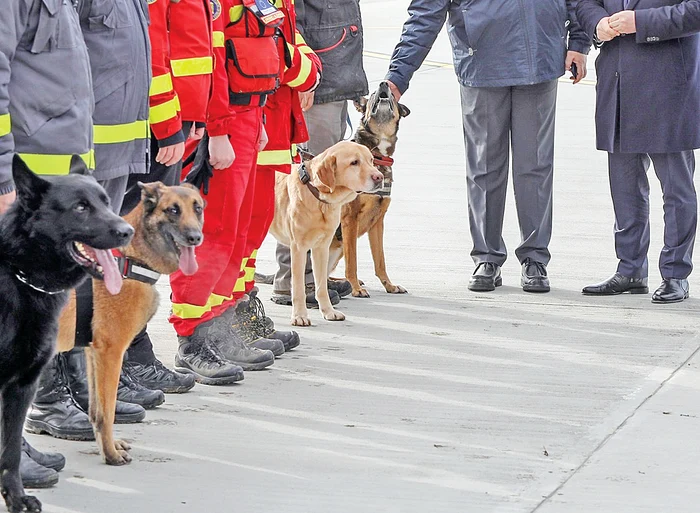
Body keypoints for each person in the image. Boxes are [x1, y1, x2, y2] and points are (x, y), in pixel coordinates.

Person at [385, 1, 590, 293]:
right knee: (484, 166)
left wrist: (580, 43)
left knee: (535, 166)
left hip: (540, 60)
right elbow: (425, 15)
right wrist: (398, 74)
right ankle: (487, 257)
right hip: (482, 66)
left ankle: (534, 258)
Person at [167, 0, 320, 383]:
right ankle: (194, 338)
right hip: (226, 118)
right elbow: (211, 58)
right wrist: (217, 128)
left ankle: (221, 326)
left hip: (250, 113)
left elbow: (274, 44)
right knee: (213, 232)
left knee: (238, 232)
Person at [0, 0, 94, 489]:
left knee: (27, 331)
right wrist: (3, 180)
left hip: (54, 168)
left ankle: (11, 442)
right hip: (23, 178)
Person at [120, 0, 216, 394]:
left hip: (173, 119)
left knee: (143, 252)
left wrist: (192, 116)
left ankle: (133, 354)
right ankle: (130, 357)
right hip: (154, 124)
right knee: (132, 249)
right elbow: (152, 44)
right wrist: (168, 122)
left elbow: (193, 48)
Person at [578, 1, 700, 304]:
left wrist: (641, 22)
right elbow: (583, 2)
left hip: (669, 86)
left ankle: (675, 275)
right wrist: (597, 24)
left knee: (676, 189)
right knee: (624, 188)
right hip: (617, 83)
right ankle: (630, 270)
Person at [225, 0, 324, 342]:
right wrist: (302, 71)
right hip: (251, 125)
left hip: (271, 130)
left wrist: (304, 70)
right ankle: (231, 317)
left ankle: (244, 307)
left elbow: (301, 55)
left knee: (254, 229)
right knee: (238, 229)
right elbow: (277, 59)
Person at [265, 0, 368, 307]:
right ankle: (294, 279)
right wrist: (303, 72)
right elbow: (286, 17)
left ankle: (312, 276)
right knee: (308, 187)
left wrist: (351, 81)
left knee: (326, 189)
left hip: (334, 72)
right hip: (316, 78)